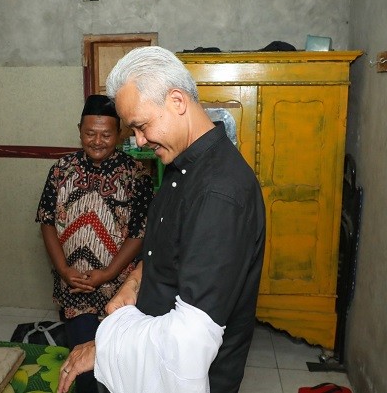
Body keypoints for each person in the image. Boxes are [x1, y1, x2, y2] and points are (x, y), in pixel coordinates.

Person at [57, 46, 266, 393]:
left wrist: (105, 347)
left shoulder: (219, 193)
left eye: (141, 126)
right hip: (151, 353)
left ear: (177, 101)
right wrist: (135, 282)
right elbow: (169, 248)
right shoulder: (180, 164)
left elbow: (188, 341)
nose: (138, 141)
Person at [36, 94, 153, 393]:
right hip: (74, 286)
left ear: (120, 134)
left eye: (105, 134)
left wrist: (108, 274)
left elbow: (139, 234)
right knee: (83, 368)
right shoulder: (62, 170)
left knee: (117, 365)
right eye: (90, 133)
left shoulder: (137, 174)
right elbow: (47, 221)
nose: (97, 141)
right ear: (79, 130)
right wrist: (63, 269)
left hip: (119, 291)